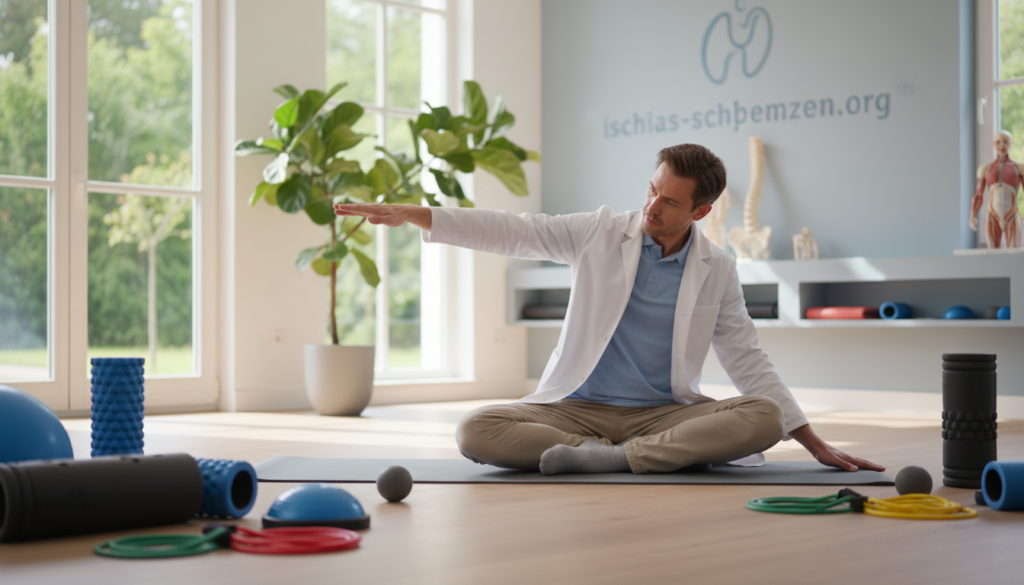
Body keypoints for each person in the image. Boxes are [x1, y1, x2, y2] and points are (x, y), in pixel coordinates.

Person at [335, 143, 884, 475]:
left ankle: (614, 458)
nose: (651, 206)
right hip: (574, 410)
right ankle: (625, 453)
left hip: (663, 413)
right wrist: (417, 214)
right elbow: (514, 230)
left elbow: (747, 359)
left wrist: (812, 442)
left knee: (762, 416)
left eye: (669, 201)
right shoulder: (598, 231)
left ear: (700, 211)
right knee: (476, 429)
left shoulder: (717, 267)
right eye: (651, 190)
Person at [971, 130, 1023, 249]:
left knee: (1014, 253)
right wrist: (972, 216)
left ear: (1010, 143)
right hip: (992, 215)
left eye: (1005, 142)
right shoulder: (986, 168)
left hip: (1012, 214)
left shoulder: (1019, 168)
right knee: (993, 254)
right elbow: (979, 195)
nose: (1002, 145)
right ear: (993, 143)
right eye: (998, 142)